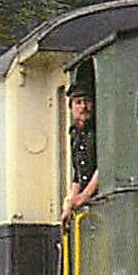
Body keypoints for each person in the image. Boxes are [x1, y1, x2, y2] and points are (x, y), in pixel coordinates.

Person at [60, 81, 97, 225]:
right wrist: (70, 201)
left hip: (99, 198)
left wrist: (84, 196)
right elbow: (78, 175)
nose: (83, 107)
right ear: (71, 107)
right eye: (78, 102)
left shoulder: (98, 130)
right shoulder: (75, 134)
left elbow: (105, 166)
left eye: (87, 101)